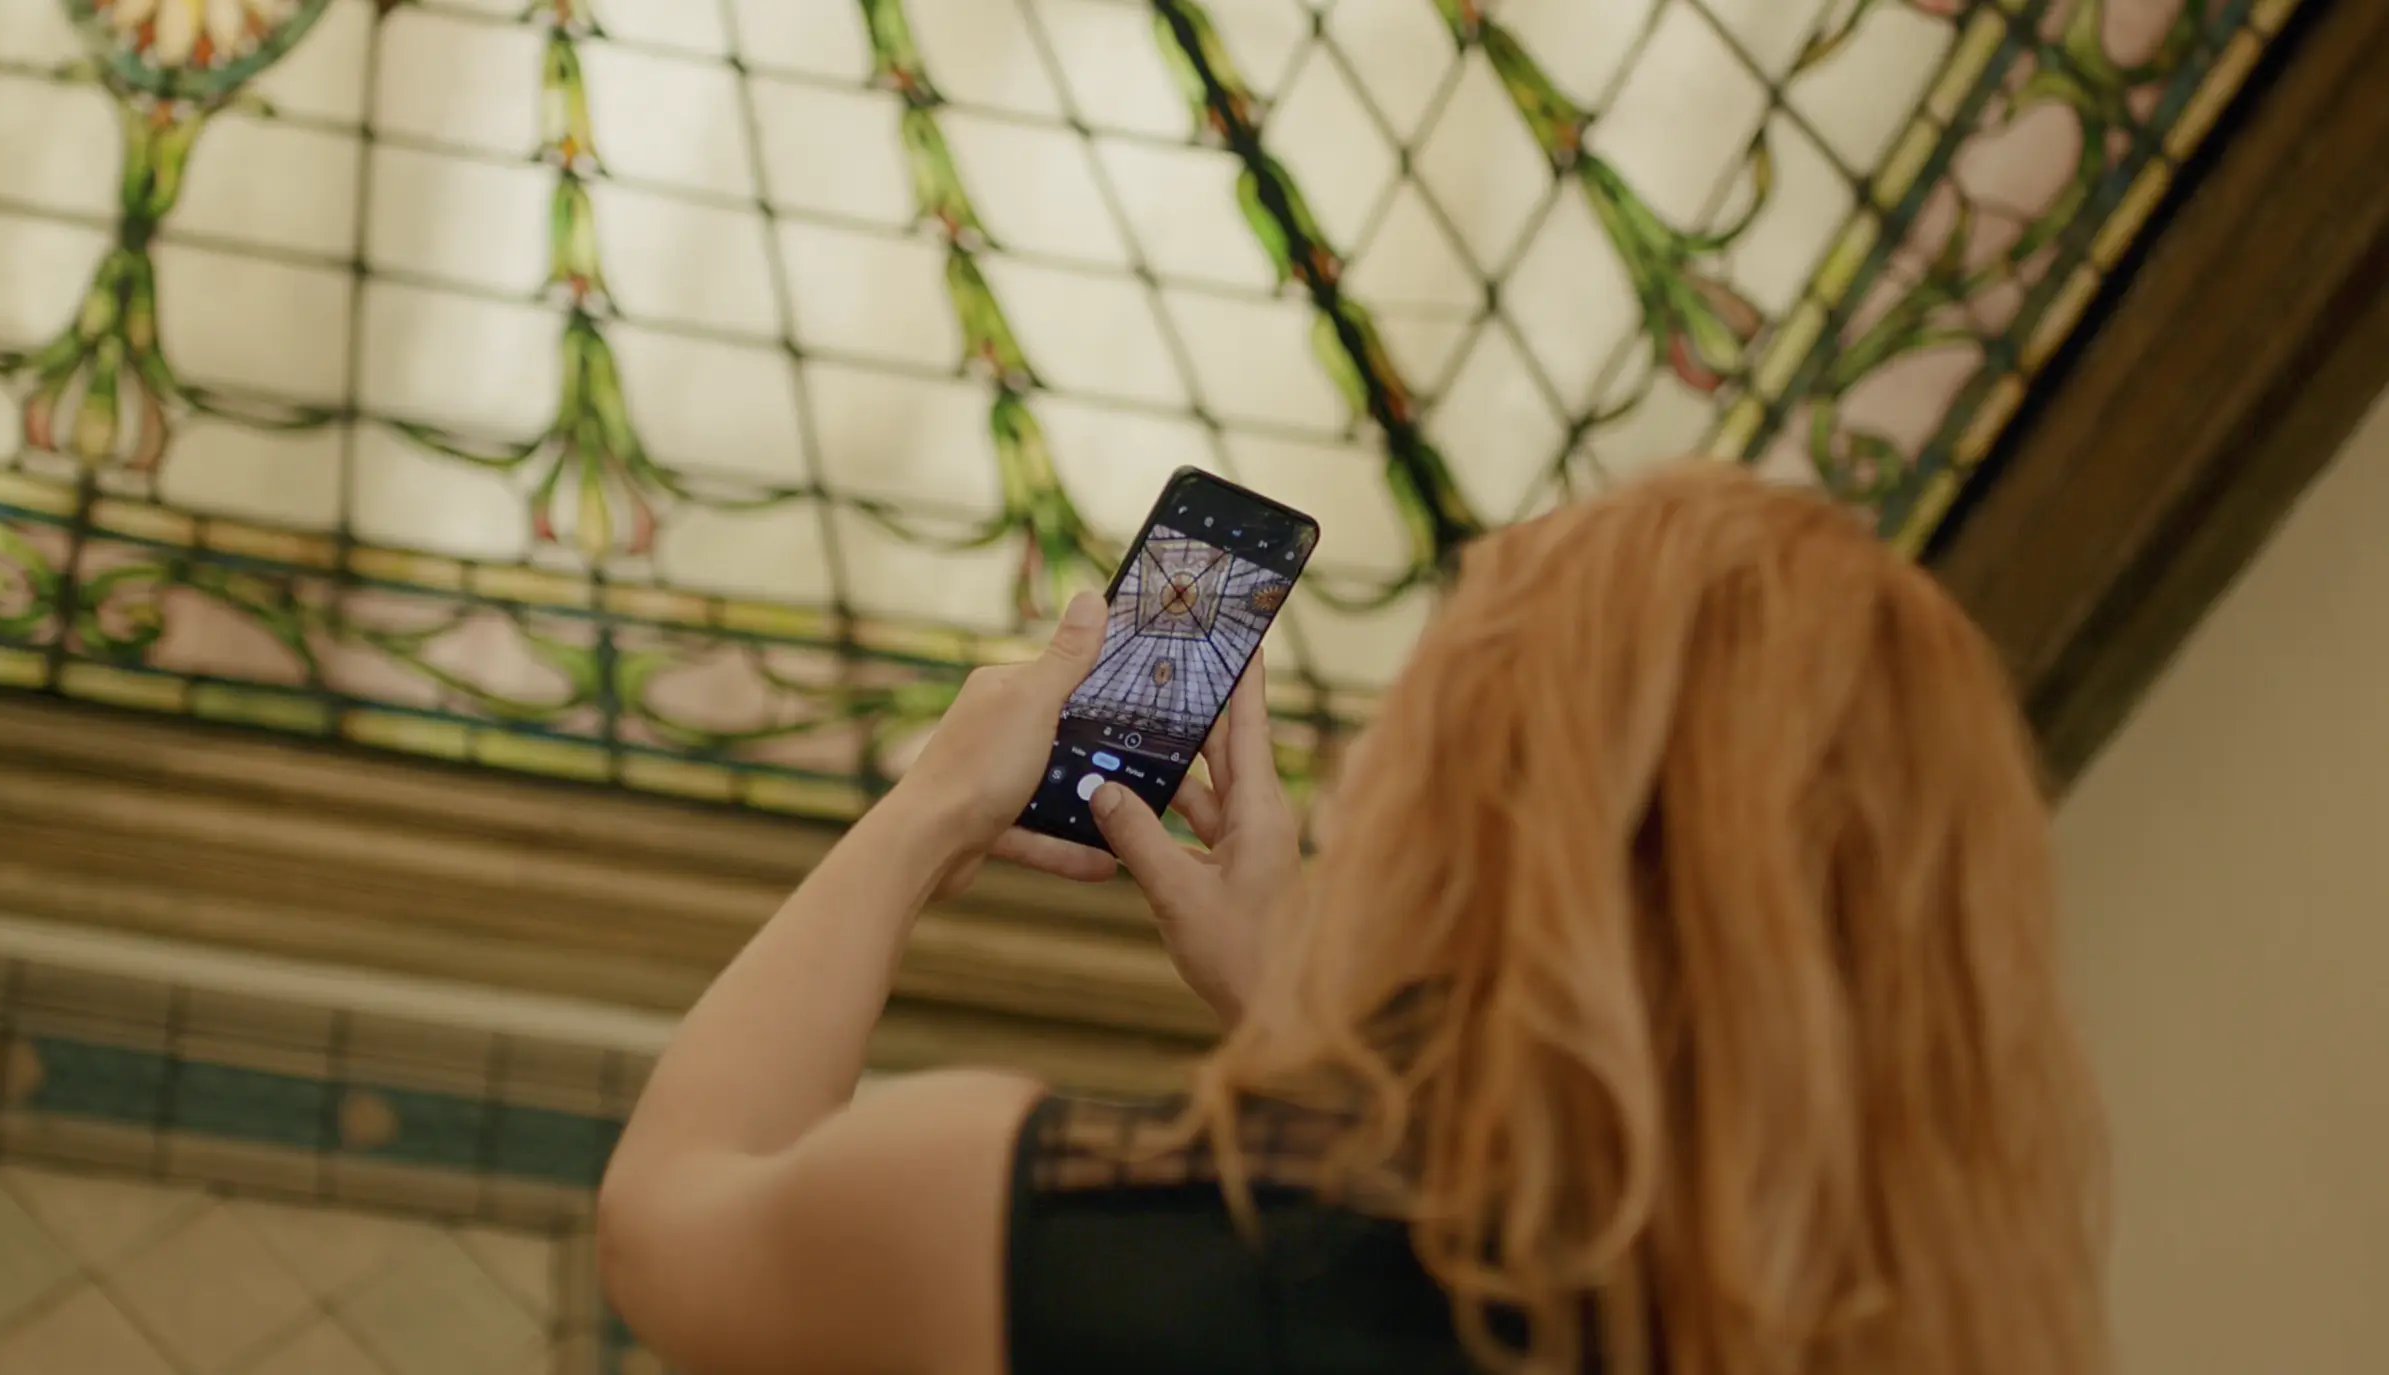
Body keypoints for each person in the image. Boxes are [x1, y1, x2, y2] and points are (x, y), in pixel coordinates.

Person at [596, 464, 2110, 1375]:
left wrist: (932, 809)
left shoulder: (1072, 1230)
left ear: (1468, 803)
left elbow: (674, 1219)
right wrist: (1305, 1010)